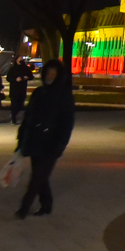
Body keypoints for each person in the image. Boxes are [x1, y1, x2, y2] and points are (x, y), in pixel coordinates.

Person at [14, 59, 75, 218]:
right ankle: (46, 204)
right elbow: (28, 116)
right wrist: (22, 136)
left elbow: (67, 122)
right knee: (40, 175)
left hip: (51, 143)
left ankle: (24, 208)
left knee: (37, 178)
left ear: (59, 76)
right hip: (35, 140)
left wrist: (61, 143)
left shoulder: (64, 95)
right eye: (48, 73)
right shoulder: (39, 92)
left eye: (53, 74)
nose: (50, 76)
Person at [8, 59, 33, 125]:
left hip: (22, 89)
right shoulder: (13, 69)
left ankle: (14, 114)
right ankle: (13, 119)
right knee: (14, 104)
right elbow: (8, 78)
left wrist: (27, 77)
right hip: (14, 89)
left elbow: (31, 76)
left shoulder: (26, 69)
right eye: (19, 59)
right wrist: (15, 80)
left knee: (20, 105)